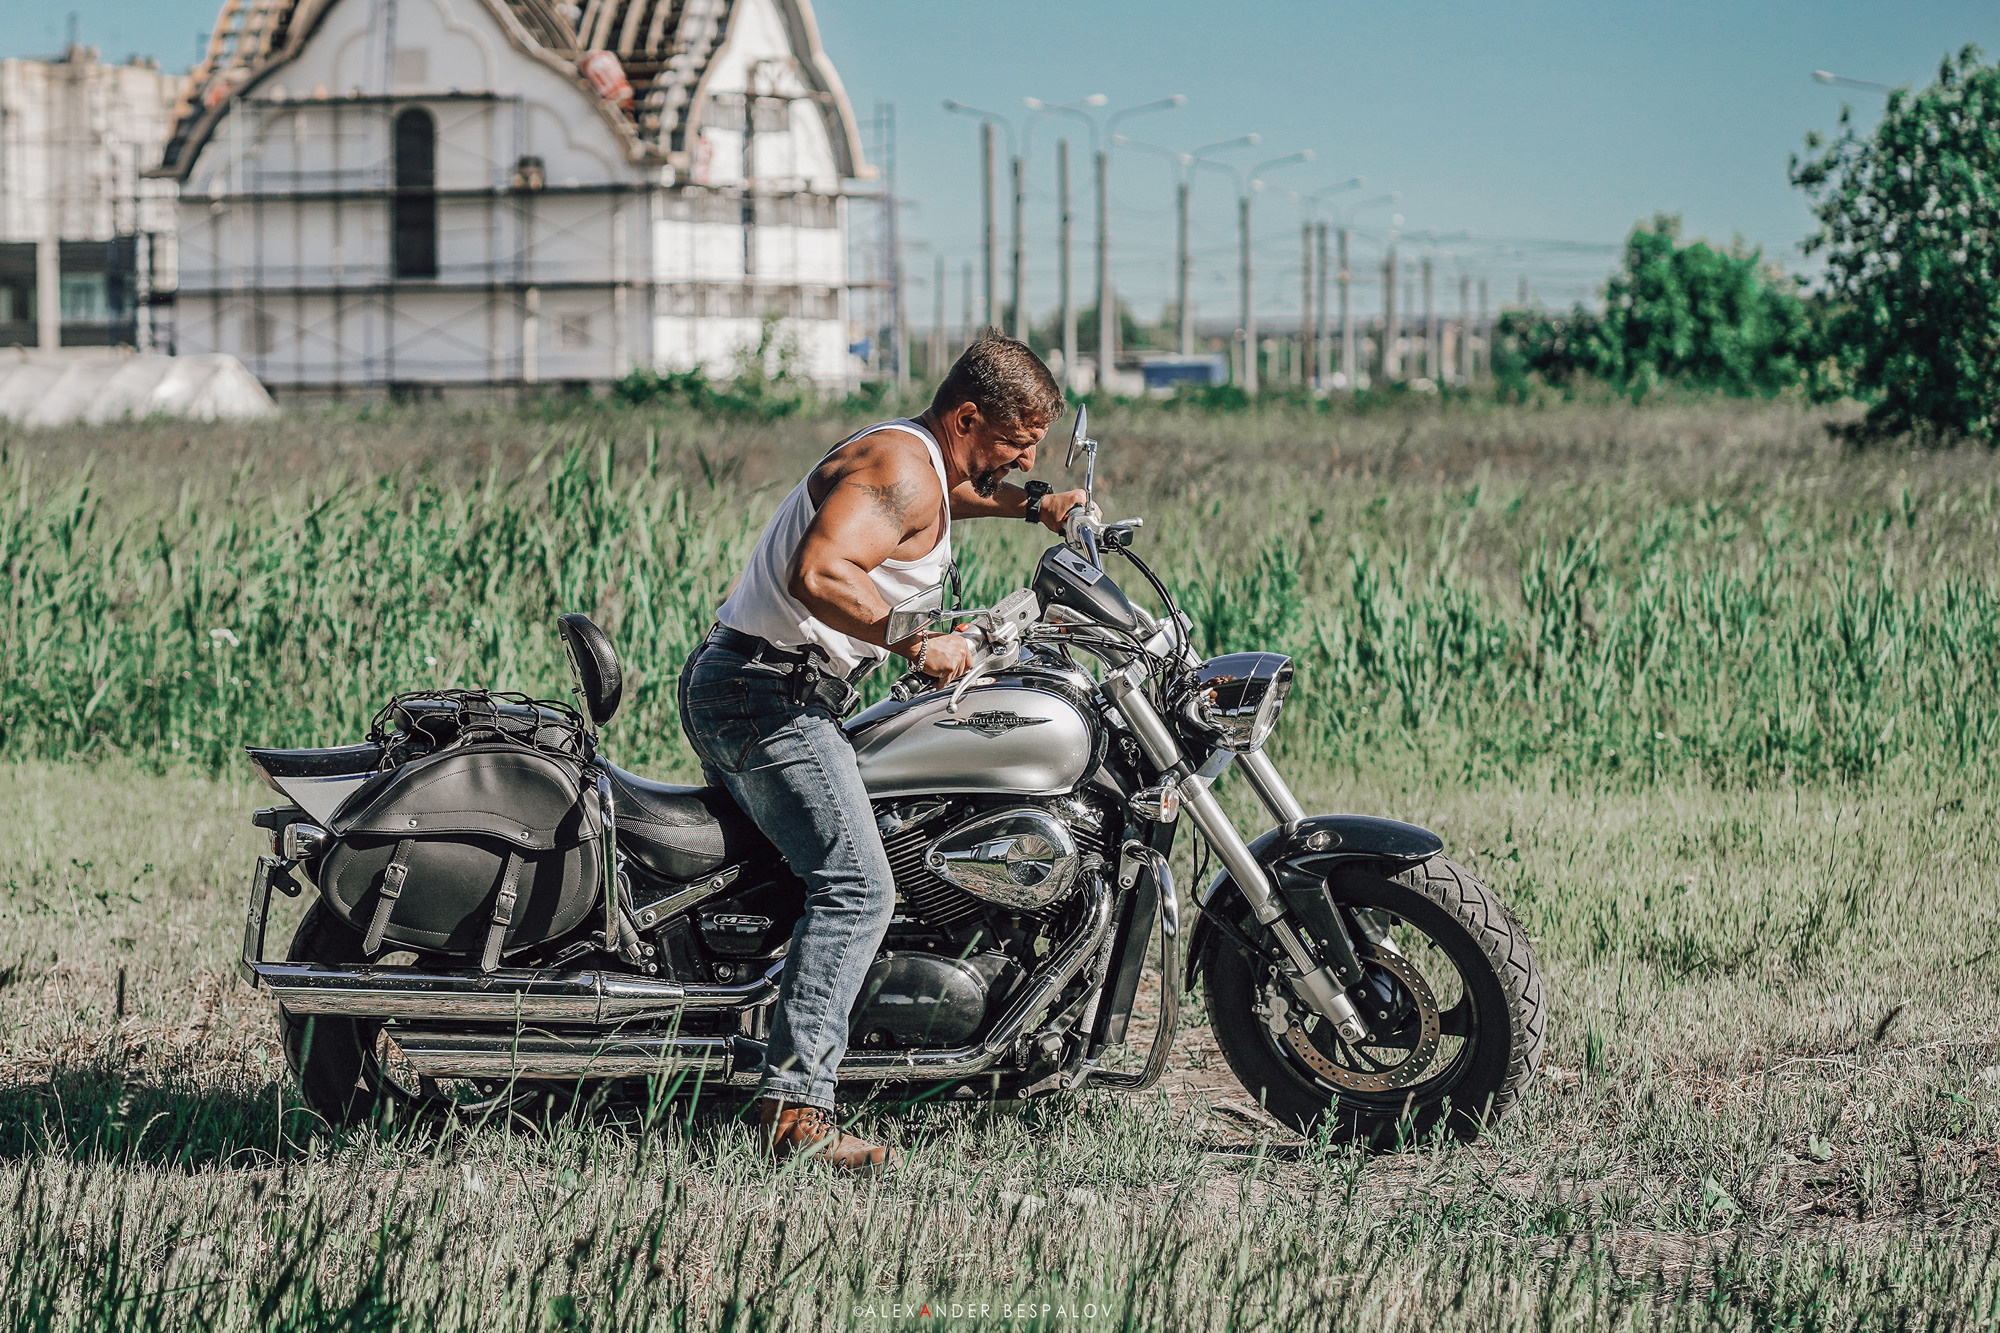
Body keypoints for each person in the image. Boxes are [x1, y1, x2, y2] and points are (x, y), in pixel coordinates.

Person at [676, 334, 1091, 1173]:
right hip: (766, 695)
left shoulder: (924, 471)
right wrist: (916, 639)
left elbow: (940, 506)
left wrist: (1033, 505)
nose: (1022, 462)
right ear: (967, 416)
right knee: (860, 886)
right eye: (1015, 448)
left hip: (771, 685)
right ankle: (796, 1110)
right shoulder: (899, 466)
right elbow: (821, 570)